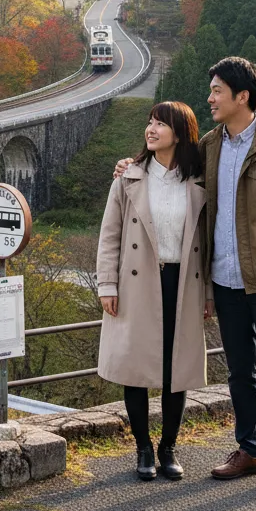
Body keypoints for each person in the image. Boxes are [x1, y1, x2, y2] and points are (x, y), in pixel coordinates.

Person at [112, 57, 256, 496]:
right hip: (223, 281)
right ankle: (249, 449)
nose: (209, 98)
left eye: (217, 91)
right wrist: (126, 167)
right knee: (240, 373)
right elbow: (160, 167)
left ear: (242, 96)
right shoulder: (208, 145)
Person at [96, 101, 211, 482]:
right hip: (137, 282)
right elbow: (109, 236)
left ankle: (168, 448)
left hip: (183, 282)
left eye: (160, 124)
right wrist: (107, 284)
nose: (151, 128)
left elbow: (207, 243)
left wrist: (209, 293)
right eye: (150, 122)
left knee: (175, 369)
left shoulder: (198, 181)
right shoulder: (128, 178)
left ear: (180, 132)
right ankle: (143, 447)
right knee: (136, 368)